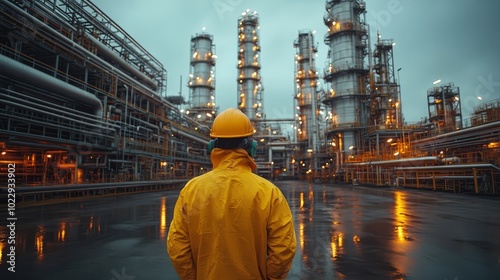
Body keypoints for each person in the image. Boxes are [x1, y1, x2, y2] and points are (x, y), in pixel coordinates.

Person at [167, 108, 296, 280]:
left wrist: (193, 277)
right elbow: (284, 248)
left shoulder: (191, 190)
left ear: (212, 146)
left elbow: (177, 246)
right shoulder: (269, 192)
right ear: (251, 147)